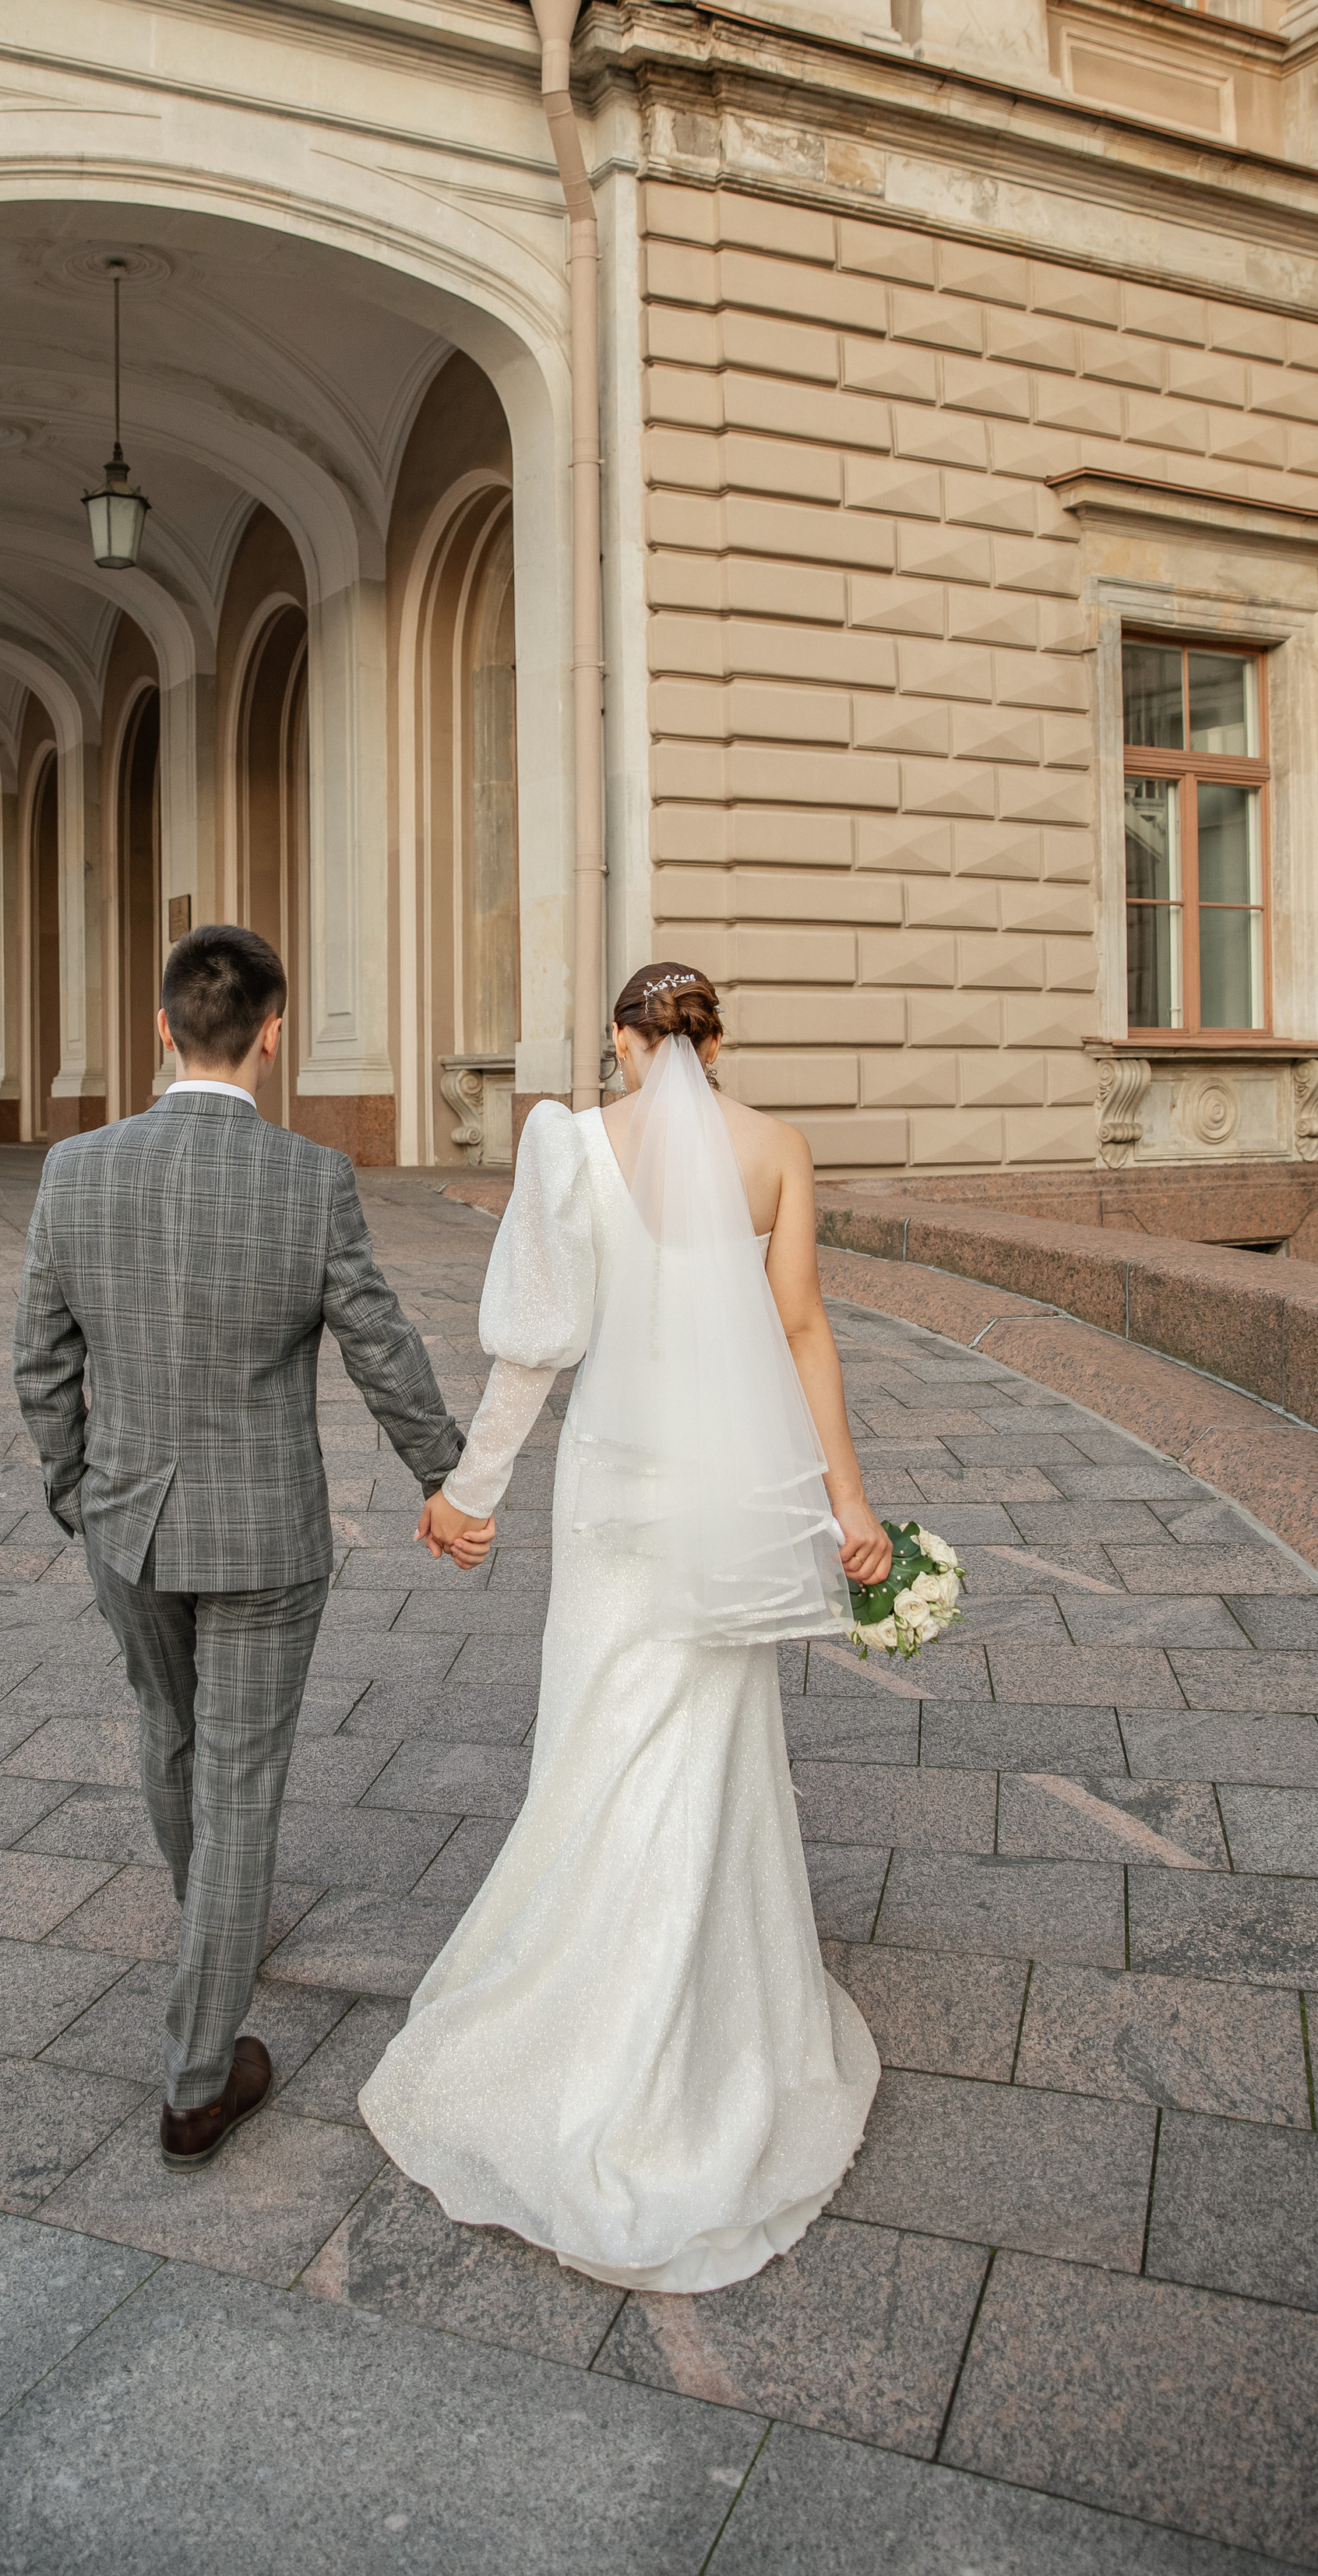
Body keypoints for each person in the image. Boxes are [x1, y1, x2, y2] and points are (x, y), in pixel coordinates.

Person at [360, 960, 889, 2291]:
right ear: (716, 1043)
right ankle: (721, 2025)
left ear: (621, 1042)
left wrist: (468, 1494)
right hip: (732, 1492)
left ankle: (578, 2029)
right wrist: (851, 1503)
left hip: (615, 1499)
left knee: (602, 1737)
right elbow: (805, 1329)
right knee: (710, 1743)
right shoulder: (778, 1151)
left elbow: (535, 1349)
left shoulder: (572, 1148)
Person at [13, 925, 493, 2171]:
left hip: (129, 1524)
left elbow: (41, 1363)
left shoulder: (75, 1171)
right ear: (272, 1034)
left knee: (168, 1739)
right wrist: (449, 1475)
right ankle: (195, 2073)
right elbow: (379, 1343)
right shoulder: (311, 1178)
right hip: (268, 1532)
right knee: (241, 1783)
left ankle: (211, 1931)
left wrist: (80, 1493)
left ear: (160, 1028)